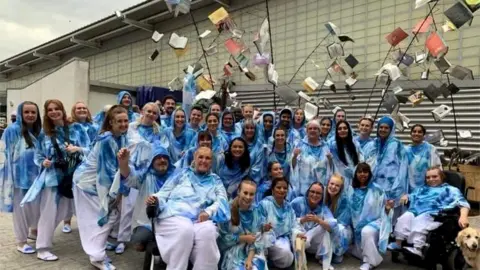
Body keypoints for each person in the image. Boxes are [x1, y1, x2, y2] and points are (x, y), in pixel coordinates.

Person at [73, 105, 150, 269]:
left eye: (125, 121)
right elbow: (106, 175)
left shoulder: (121, 137)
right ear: (110, 123)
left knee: (108, 217)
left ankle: (98, 249)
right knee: (107, 217)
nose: (123, 125)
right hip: (88, 184)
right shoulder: (107, 140)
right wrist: (116, 196)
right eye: (119, 122)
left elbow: (120, 166)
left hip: (97, 183)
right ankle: (97, 257)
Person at [21, 99, 87, 261]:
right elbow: (38, 156)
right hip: (52, 178)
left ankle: (96, 243)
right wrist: (43, 162)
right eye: (50, 109)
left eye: (57, 108)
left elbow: (91, 149)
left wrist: (77, 149)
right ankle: (42, 248)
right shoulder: (45, 134)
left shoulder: (76, 129)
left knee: (77, 211)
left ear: (62, 110)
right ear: (46, 113)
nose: (54, 112)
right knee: (49, 213)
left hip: (74, 177)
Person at [146, 146, 230, 270]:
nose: (203, 161)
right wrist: (156, 199)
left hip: (199, 219)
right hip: (173, 216)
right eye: (200, 157)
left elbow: (222, 202)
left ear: (211, 162)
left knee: (208, 231)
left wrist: (208, 211)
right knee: (185, 228)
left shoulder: (215, 180)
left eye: (207, 158)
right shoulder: (181, 173)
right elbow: (164, 192)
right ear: (194, 159)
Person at [388, 166, 470, 257]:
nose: (431, 179)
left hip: (435, 215)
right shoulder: (422, 189)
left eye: (435, 176)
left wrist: (463, 217)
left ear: (441, 177)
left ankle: (417, 248)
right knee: (404, 218)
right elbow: (412, 195)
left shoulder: (451, 190)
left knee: (420, 220)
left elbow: (463, 204)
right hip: (416, 212)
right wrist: (406, 196)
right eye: (428, 177)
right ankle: (398, 243)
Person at [0, 102, 42, 254]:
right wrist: (6, 176)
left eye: (33, 112)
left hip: (37, 178)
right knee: (21, 211)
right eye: (27, 112)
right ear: (20, 113)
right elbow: (3, 152)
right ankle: (21, 241)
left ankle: (33, 232)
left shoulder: (39, 131)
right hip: (18, 178)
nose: (30, 115)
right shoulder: (11, 130)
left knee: (35, 209)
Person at [117, 143, 175, 252]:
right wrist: (123, 163)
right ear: (152, 161)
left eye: (164, 157)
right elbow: (129, 177)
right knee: (139, 238)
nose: (162, 160)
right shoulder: (144, 176)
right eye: (158, 158)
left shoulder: (176, 177)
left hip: (171, 220)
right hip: (147, 222)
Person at [363, 116, 408, 222]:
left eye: (386, 128)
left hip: (391, 186)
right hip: (373, 186)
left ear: (391, 129)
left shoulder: (397, 145)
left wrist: (398, 186)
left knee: (389, 217)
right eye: (381, 127)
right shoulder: (371, 145)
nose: (383, 130)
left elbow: (403, 167)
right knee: (373, 215)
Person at [350, 163, 394, 270]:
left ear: (369, 174)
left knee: (367, 231)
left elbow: (386, 210)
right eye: (359, 172)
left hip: (375, 222)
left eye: (365, 172)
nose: (362, 174)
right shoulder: (351, 189)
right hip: (356, 226)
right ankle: (366, 253)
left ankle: (370, 262)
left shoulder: (377, 190)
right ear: (355, 174)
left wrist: (387, 209)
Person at [218, 178, 268, 270]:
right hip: (232, 254)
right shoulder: (226, 211)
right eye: (245, 193)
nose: (248, 197)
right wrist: (243, 238)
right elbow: (222, 241)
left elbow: (256, 240)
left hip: (253, 252)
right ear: (238, 192)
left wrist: (249, 260)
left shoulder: (256, 211)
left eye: (251, 194)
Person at [258, 176, 305, 269]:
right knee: (286, 255)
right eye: (278, 187)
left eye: (285, 188)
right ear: (272, 190)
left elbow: (294, 223)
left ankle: (272, 261)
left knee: (289, 256)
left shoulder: (288, 207)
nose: (282, 190)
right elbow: (257, 222)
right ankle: (266, 257)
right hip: (267, 239)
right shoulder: (264, 204)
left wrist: (298, 233)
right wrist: (263, 227)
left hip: (284, 239)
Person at [291, 182, 336, 269]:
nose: (315, 195)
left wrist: (318, 220)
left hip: (310, 243)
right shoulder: (297, 202)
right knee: (295, 231)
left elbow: (332, 226)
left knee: (325, 228)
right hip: (298, 240)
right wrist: (302, 220)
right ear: (308, 192)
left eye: (318, 193)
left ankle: (323, 259)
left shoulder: (323, 208)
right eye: (312, 192)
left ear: (322, 196)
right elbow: (288, 220)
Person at [291, 120, 331, 197]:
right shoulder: (300, 145)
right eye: (310, 128)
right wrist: (295, 157)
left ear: (320, 131)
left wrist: (330, 160)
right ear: (306, 131)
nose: (313, 130)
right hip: (304, 187)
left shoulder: (325, 146)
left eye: (315, 128)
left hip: (321, 187)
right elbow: (293, 167)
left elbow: (330, 167)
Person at [324, 174, 352, 264]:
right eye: (332, 184)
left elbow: (343, 222)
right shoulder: (323, 196)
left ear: (341, 188)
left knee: (339, 229)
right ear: (328, 183)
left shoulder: (344, 200)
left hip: (342, 228)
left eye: (337, 185)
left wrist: (328, 224)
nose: (333, 187)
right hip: (326, 225)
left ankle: (338, 252)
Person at [405, 124, 442, 191]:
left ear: (424, 135)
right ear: (411, 134)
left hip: (428, 188)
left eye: (420, 132)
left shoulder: (430, 149)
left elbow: (438, 169)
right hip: (409, 189)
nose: (416, 134)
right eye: (414, 131)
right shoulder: (406, 150)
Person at [328, 121, 362, 188]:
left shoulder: (355, 144)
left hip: (353, 179)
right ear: (336, 131)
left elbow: (360, 160)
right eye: (340, 129)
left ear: (349, 130)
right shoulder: (333, 146)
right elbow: (332, 165)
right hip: (338, 180)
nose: (342, 130)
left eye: (345, 128)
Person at [241, 119, 265, 184]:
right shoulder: (238, 142)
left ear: (255, 130)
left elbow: (258, 166)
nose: (249, 130)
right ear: (243, 130)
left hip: (253, 180)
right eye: (247, 128)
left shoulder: (259, 144)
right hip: (237, 179)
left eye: (252, 128)